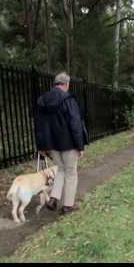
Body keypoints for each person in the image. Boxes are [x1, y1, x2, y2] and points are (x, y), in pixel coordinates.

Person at [34, 72, 89, 214]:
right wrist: (80, 145)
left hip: (52, 145)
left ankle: (53, 199)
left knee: (61, 170)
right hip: (69, 144)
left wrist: (41, 146)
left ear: (55, 84)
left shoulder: (42, 100)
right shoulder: (68, 99)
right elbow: (75, 123)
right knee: (71, 173)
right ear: (66, 84)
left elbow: (39, 125)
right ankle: (68, 206)